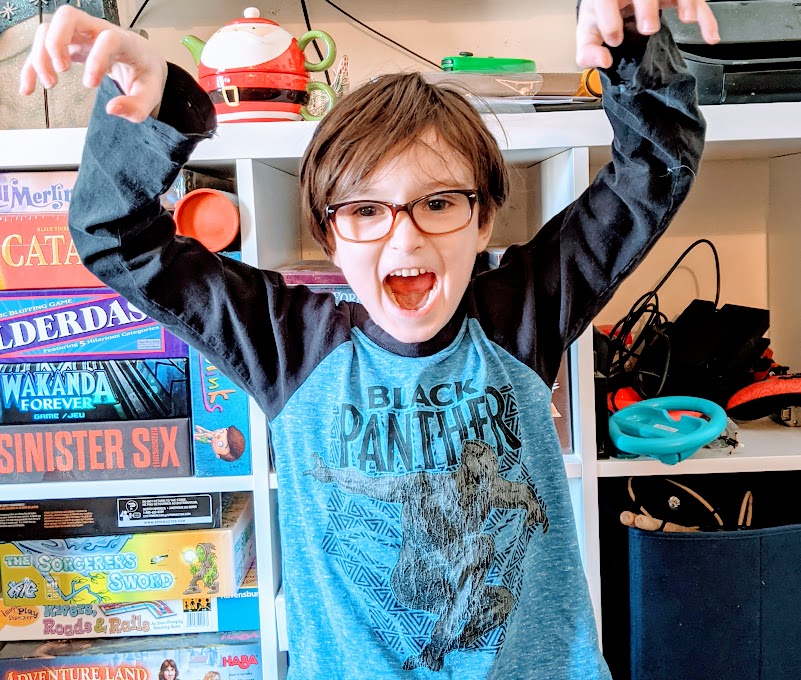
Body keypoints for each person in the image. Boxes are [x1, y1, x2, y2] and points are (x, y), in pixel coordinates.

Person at [20, 1, 719, 677]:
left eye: (440, 202)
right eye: (365, 210)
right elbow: (115, 239)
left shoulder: (522, 312)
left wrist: (629, 41)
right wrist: (157, 103)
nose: (405, 234)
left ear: (483, 222)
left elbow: (652, 166)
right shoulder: (287, 344)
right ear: (329, 234)